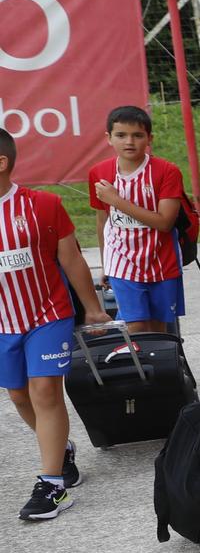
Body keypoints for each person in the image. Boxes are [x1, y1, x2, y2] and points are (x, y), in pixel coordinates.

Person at [0, 131, 109, 520]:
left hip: (48, 314)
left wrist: (92, 308)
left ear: (3, 162)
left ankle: (52, 485)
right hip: (3, 323)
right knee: (19, 397)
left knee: (45, 390)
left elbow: (72, 259)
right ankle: (61, 450)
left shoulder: (44, 205)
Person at [88, 105, 186, 336]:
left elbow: (164, 222)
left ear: (149, 138)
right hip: (122, 261)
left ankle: (160, 370)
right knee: (136, 325)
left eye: (137, 135)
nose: (129, 141)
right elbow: (103, 222)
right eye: (121, 135)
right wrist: (106, 265)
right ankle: (136, 370)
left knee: (159, 328)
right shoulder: (98, 172)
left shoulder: (167, 171)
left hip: (162, 261)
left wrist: (117, 200)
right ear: (109, 138)